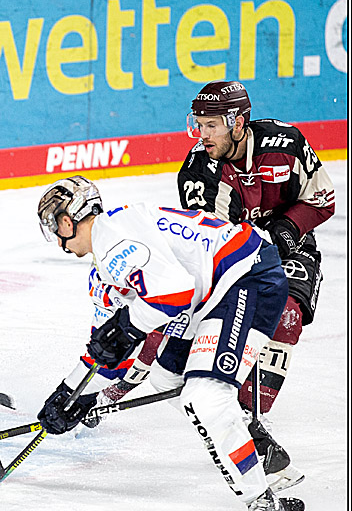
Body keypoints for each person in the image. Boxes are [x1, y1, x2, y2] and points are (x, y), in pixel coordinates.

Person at [87, 81, 333, 489]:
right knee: (183, 312)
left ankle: (251, 419)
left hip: (291, 252)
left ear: (237, 123)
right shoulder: (199, 171)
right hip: (237, 262)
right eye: (197, 125)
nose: (200, 135)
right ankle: (129, 376)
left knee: (285, 318)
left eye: (209, 125)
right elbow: (208, 242)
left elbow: (323, 200)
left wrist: (286, 231)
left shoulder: (285, 143)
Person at [34, 175, 296, 511]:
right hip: (212, 295)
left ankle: (264, 504)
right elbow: (109, 352)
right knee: (167, 382)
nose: (57, 240)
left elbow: (174, 293)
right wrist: (71, 394)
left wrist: (127, 326)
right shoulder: (107, 262)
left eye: (52, 226)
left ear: (65, 221)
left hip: (246, 277)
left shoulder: (114, 240)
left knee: (205, 398)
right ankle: (258, 451)